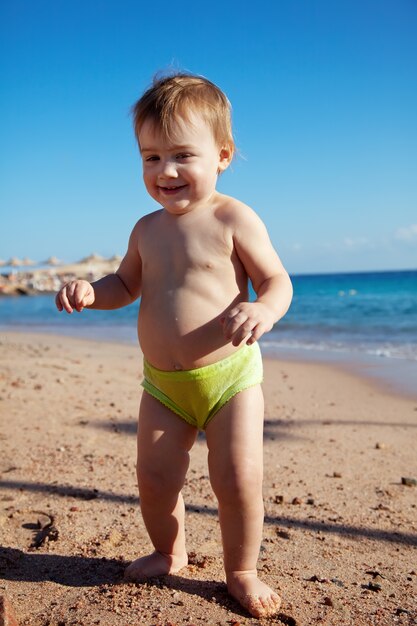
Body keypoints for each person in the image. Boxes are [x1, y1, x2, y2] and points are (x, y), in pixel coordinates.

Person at [55, 73, 293, 619]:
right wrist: (93, 291)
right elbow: (125, 286)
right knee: (156, 477)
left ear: (223, 155)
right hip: (162, 384)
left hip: (229, 377)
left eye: (183, 155)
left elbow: (278, 281)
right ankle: (170, 551)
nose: (165, 171)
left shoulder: (234, 217)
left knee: (237, 478)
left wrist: (263, 309)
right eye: (150, 157)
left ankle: (242, 571)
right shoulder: (145, 229)